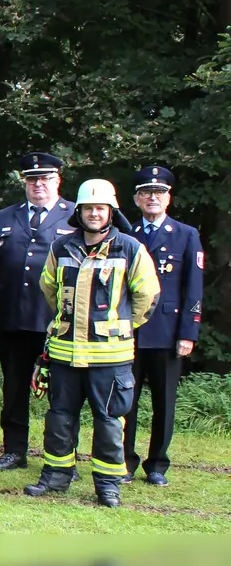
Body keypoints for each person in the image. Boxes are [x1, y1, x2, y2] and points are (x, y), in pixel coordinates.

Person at [25, 179, 160, 508]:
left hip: (109, 356)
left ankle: (108, 485)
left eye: (100, 208)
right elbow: (49, 288)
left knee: (109, 422)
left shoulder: (129, 248)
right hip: (65, 353)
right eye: (88, 208)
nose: (94, 214)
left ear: (111, 212)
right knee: (59, 418)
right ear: (79, 212)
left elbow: (148, 297)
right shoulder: (61, 247)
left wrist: (121, 326)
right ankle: (56, 476)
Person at [0, 152, 74, 471]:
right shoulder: (4, 217)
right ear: (24, 182)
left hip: (56, 319)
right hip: (13, 317)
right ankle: (14, 450)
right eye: (32, 179)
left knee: (61, 391)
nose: (39, 184)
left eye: (45, 178)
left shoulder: (73, 216)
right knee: (14, 388)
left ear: (57, 180)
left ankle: (61, 455)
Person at [125, 166, 203, 487]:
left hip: (168, 333)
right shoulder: (126, 233)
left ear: (168, 198)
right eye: (146, 192)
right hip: (129, 331)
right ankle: (124, 462)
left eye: (159, 193)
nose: (153, 198)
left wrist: (188, 333)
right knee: (125, 401)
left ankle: (157, 464)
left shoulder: (186, 234)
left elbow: (193, 288)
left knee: (164, 402)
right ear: (136, 199)